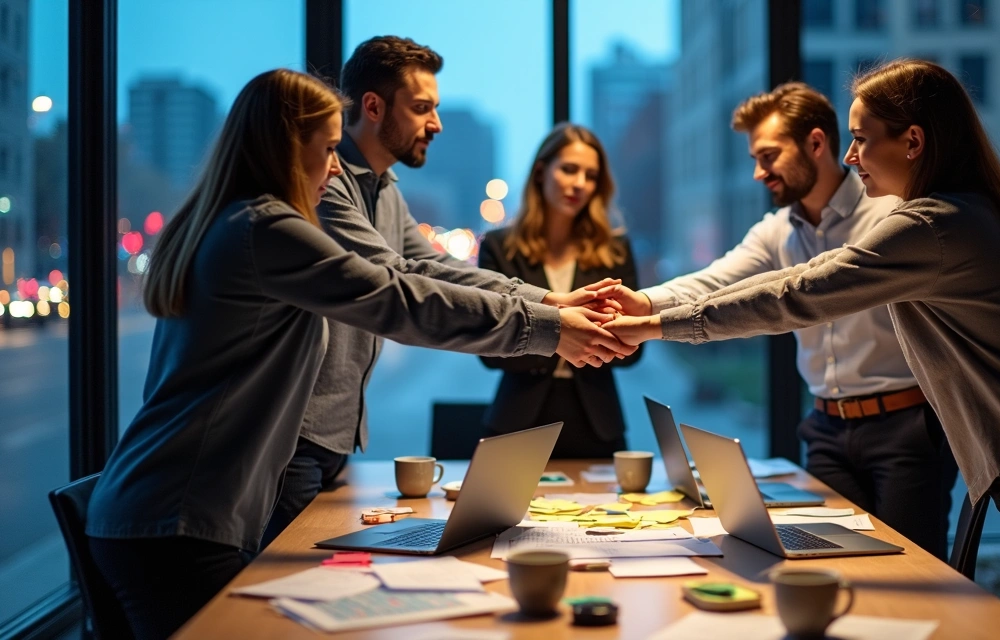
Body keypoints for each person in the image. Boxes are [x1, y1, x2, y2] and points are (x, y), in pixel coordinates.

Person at [601, 60, 1000, 639]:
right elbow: (773, 279)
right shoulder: (966, 209)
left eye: (862, 139)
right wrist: (653, 309)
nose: (850, 154)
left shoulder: (931, 226)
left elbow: (803, 291)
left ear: (913, 141)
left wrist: (658, 326)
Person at [85, 69, 631, 640]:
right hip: (176, 521)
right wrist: (547, 327)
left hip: (168, 511)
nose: (337, 165)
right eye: (326, 148)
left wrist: (544, 305)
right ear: (284, 148)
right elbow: (395, 299)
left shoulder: (237, 222)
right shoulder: (267, 229)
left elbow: (422, 273)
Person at [260, 37, 621, 548]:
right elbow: (392, 282)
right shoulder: (330, 186)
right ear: (373, 106)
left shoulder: (385, 188)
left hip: (332, 438)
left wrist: (544, 301)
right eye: (423, 107)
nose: (437, 123)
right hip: (297, 435)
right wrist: (547, 326)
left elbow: (431, 265)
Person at [599, 83, 957, 558]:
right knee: (829, 562)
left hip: (906, 426)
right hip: (826, 427)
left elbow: (796, 297)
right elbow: (713, 281)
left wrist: (655, 324)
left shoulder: (890, 211)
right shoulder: (776, 230)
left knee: (914, 568)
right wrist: (642, 304)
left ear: (815, 143)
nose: (757, 172)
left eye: (768, 156)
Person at [479, 124, 643, 458]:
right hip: (518, 423)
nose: (580, 184)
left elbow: (634, 349)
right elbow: (490, 349)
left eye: (591, 175)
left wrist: (533, 330)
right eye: (569, 169)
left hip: (597, 423)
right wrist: (579, 332)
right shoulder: (500, 247)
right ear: (541, 172)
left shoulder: (616, 250)